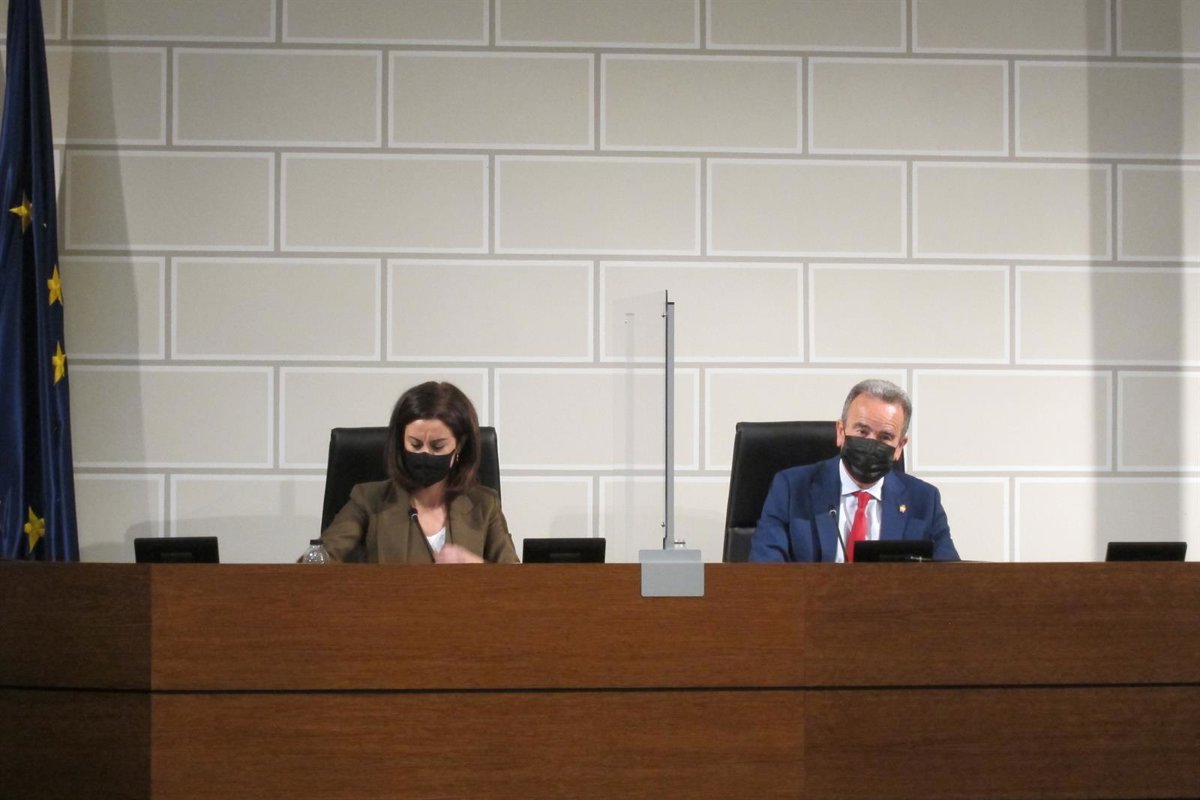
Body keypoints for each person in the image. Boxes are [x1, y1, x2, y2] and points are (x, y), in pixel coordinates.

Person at [749, 379, 959, 563]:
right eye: (862, 431)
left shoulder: (924, 501)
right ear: (841, 432)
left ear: (899, 447)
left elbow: (951, 580)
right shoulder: (791, 488)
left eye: (885, 437)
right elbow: (766, 571)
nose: (871, 443)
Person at [321, 381, 519, 564]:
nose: (425, 453)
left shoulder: (484, 505)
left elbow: (516, 579)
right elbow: (317, 563)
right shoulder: (368, 500)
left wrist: (475, 565)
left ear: (459, 445)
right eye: (415, 444)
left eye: (437, 446)